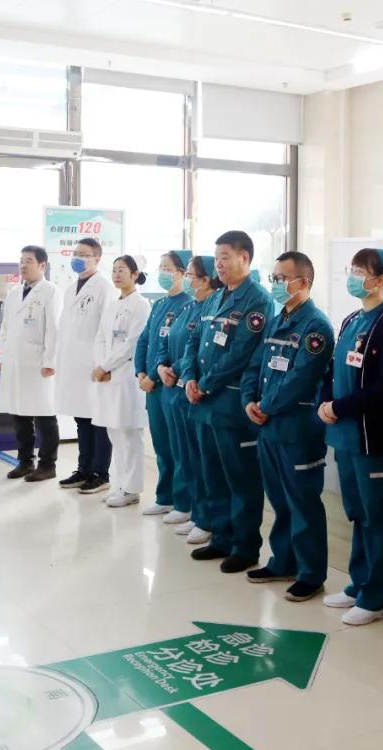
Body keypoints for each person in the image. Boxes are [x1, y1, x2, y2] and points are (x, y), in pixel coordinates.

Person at [318, 248, 383, 626]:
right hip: (345, 436)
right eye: (352, 268)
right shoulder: (352, 320)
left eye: (362, 271)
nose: (355, 276)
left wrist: (339, 407)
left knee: (378, 519)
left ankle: (376, 597)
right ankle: (358, 583)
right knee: (358, 514)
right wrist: (327, 402)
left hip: (375, 439)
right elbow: (333, 370)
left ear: (382, 279)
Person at [241, 251, 336, 602]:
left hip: (297, 429)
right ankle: (283, 561)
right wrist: (248, 401)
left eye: (283, 279)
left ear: (304, 282)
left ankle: (311, 574)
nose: (276, 284)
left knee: (303, 502)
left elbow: (300, 378)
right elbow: (255, 365)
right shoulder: (277, 319)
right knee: (280, 500)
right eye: (274, 278)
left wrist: (265, 406)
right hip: (268, 427)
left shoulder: (316, 326)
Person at [183, 231, 275, 574]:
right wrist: (189, 378)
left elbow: (240, 353)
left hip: (231, 405)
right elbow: (194, 340)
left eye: (224, 257)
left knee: (241, 478)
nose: (218, 264)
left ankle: (245, 546)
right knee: (213, 474)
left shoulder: (257, 300)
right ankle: (221, 537)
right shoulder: (215, 297)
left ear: (244, 258)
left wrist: (205, 384)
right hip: (205, 404)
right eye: (216, 257)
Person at [160, 254, 223, 546]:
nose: (187, 280)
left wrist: (181, 372)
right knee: (184, 455)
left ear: (207, 280)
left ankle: (206, 517)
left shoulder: (211, 309)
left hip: (194, 390)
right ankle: (196, 512)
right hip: (176, 387)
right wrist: (162, 366)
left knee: (201, 460)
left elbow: (200, 352)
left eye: (191, 276)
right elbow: (170, 342)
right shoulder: (189, 307)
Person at [136, 250, 195, 521]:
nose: (162, 272)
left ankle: (183, 501)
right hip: (152, 387)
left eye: (168, 268)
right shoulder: (159, 305)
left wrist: (154, 375)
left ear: (183, 273)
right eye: (160, 267)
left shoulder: (188, 305)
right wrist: (141, 372)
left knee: (178, 448)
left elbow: (177, 350)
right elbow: (145, 340)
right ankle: (165, 497)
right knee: (161, 446)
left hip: (169, 385)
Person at [56, 237, 116, 494]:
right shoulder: (70, 289)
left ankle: (100, 473)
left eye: (84, 254)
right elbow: (65, 328)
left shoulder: (104, 288)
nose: (77, 258)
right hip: (74, 363)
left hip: (95, 364)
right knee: (81, 418)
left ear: (97, 259)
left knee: (98, 419)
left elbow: (108, 330)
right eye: (76, 253)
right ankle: (84, 469)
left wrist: (104, 364)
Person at [92, 256, 152, 508]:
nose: (116, 274)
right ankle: (121, 484)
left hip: (127, 376)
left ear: (135, 275)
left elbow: (132, 344)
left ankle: (132, 489)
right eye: (114, 270)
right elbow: (100, 338)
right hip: (107, 376)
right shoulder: (112, 304)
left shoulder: (141, 305)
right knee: (114, 432)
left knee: (129, 434)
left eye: (122, 270)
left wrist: (106, 366)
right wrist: (101, 366)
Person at [0, 245, 61, 482]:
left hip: (38, 363)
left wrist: (50, 361)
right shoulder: (14, 293)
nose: (23, 265)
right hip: (14, 362)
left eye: (29, 261)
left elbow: (54, 329)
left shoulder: (51, 291)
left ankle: (47, 464)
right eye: (21, 260)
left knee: (44, 414)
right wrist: (3, 357)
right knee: (19, 414)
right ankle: (25, 462)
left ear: (42, 265)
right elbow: (5, 329)